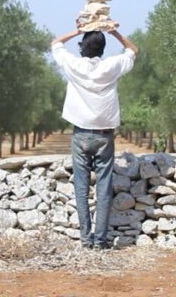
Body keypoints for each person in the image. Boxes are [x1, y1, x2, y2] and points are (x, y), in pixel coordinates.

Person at [51, 28, 138, 249]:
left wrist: (76, 30)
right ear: (103, 48)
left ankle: (85, 239)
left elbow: (55, 43)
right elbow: (133, 50)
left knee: (81, 188)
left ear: (82, 47)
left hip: (80, 133)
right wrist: (116, 32)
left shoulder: (74, 65)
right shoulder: (111, 66)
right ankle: (101, 241)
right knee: (103, 188)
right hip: (104, 136)